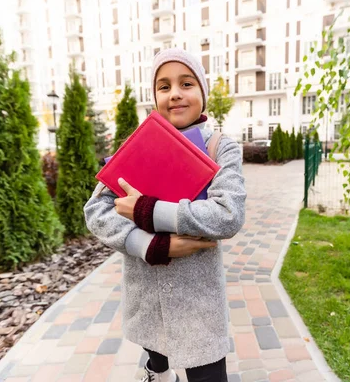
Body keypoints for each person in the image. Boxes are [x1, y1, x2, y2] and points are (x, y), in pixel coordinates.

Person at [84, 48, 246, 382]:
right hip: (148, 288)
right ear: (154, 95)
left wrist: (149, 210)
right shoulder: (137, 146)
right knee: (156, 349)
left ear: (202, 92)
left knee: (208, 374)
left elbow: (228, 214)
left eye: (186, 83)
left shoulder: (219, 148)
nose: (175, 93)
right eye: (163, 86)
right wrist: (151, 245)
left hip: (199, 298)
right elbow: (96, 211)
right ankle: (157, 371)